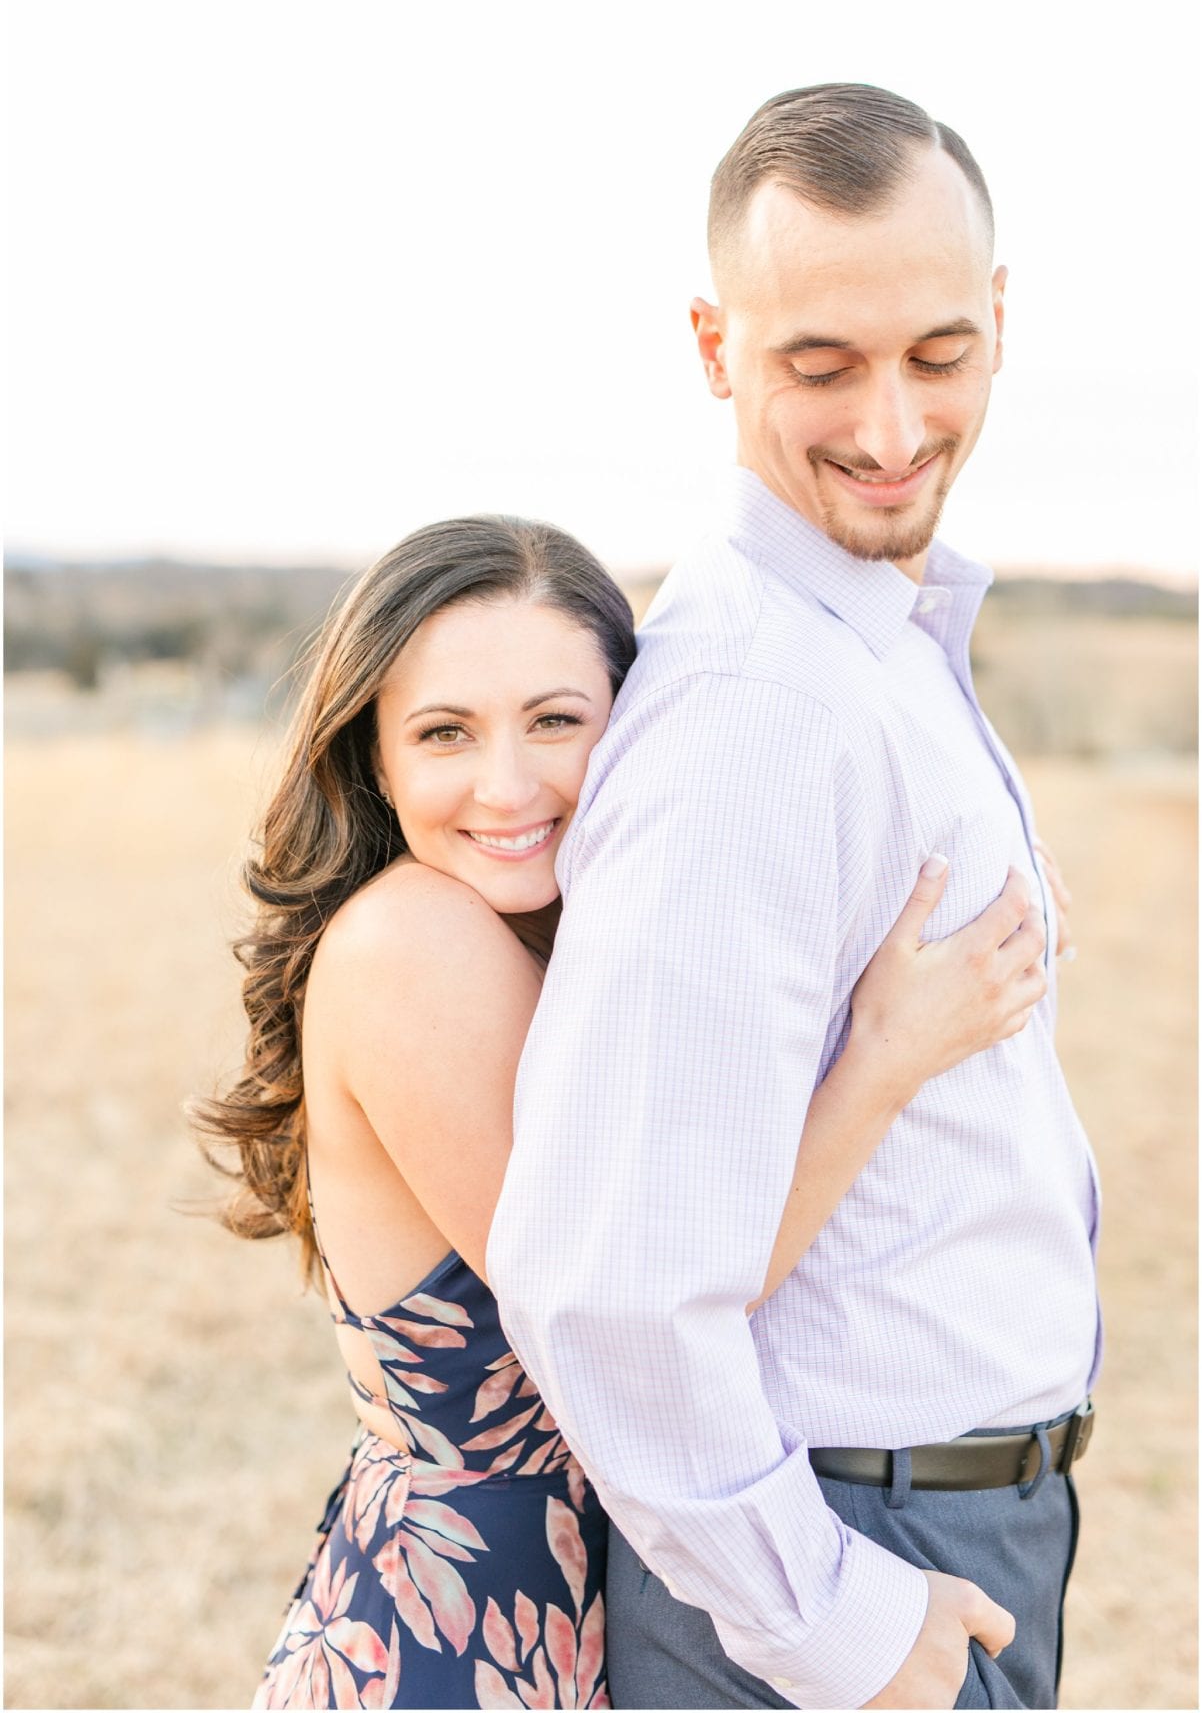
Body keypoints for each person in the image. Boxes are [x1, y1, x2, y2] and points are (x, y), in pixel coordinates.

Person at [198, 514, 1050, 1710]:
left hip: (576, 1594)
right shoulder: (414, 941)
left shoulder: (542, 941)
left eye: (556, 721)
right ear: (373, 762)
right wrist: (887, 1057)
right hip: (469, 1628)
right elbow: (631, 1288)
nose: (509, 785)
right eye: (445, 734)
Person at [487, 84, 1101, 1711]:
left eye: (938, 355)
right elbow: (604, 1279)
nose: (892, 429)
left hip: (933, 1527)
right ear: (712, 347)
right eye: (818, 366)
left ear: (998, 316)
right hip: (838, 1558)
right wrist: (831, 1623)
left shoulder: (865, 648)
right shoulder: (760, 710)